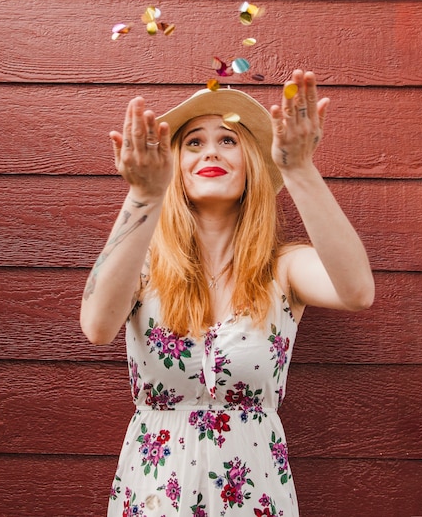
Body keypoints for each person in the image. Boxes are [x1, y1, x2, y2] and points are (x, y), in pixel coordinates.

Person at [80, 69, 374, 516]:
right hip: (156, 496)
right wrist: (142, 196)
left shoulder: (284, 268)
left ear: (251, 162)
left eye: (228, 140)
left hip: (254, 494)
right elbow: (97, 326)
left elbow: (356, 291)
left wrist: (299, 169)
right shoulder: (142, 266)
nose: (210, 151)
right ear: (174, 164)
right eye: (194, 142)